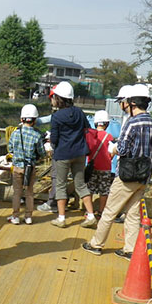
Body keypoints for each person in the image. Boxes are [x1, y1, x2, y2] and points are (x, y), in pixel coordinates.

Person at [82, 84, 152, 260]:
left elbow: (123, 149)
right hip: (144, 175)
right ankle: (129, 249)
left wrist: (114, 147)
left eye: (122, 102)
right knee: (132, 214)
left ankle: (96, 244)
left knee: (109, 211)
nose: (121, 105)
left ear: (131, 103)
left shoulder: (131, 123)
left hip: (127, 175)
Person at [48, 81, 96, 228]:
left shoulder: (56, 117)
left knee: (61, 185)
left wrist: (52, 144)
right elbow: (87, 129)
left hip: (63, 154)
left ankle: (61, 218)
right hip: (80, 152)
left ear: (59, 98)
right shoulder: (79, 112)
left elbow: (54, 139)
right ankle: (91, 215)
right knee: (80, 184)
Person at [7, 104, 46, 225]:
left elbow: (10, 149)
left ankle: (15, 216)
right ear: (34, 120)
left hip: (18, 166)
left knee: (17, 192)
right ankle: (28, 216)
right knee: (29, 192)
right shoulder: (37, 135)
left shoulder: (15, 133)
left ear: (21, 119)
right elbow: (42, 153)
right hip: (30, 167)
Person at [85, 110, 114, 216]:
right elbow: (112, 152)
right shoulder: (109, 137)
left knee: (90, 189)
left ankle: (89, 211)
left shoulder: (91, 135)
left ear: (95, 123)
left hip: (92, 167)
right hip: (105, 168)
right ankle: (101, 212)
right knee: (104, 191)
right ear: (107, 124)